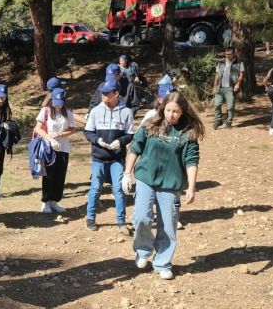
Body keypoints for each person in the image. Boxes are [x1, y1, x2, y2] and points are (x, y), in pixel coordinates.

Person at [122, 91, 204, 280]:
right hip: (146, 177)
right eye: (168, 110)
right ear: (162, 107)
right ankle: (143, 251)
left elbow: (192, 160)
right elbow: (135, 148)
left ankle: (162, 262)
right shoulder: (151, 125)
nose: (171, 115)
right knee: (142, 216)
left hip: (170, 183)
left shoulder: (188, 133)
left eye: (175, 111)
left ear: (182, 111)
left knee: (168, 224)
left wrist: (191, 187)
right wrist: (127, 173)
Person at [83, 79, 134, 235]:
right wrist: (97, 140)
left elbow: (130, 133)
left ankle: (121, 221)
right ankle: (90, 218)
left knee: (119, 190)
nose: (103, 95)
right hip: (99, 157)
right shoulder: (95, 111)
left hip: (117, 158)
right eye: (102, 93)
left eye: (106, 93)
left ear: (116, 93)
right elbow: (88, 131)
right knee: (95, 188)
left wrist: (120, 141)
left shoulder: (126, 111)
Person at [33, 88, 76, 213]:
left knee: (60, 175)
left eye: (61, 102)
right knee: (49, 175)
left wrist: (60, 134)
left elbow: (72, 129)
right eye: (56, 101)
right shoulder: (45, 111)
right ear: (52, 100)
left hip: (63, 148)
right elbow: (38, 128)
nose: (58, 104)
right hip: (48, 147)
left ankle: (55, 201)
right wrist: (50, 138)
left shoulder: (68, 112)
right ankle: (45, 202)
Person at [212, 47, 245, 129]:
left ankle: (229, 122)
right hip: (220, 87)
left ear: (234, 54)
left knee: (230, 107)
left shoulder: (239, 63)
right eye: (226, 54)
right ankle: (218, 120)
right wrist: (214, 86)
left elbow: (241, 75)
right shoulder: (221, 62)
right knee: (216, 104)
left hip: (231, 88)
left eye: (230, 54)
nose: (228, 56)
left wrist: (238, 84)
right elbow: (217, 75)